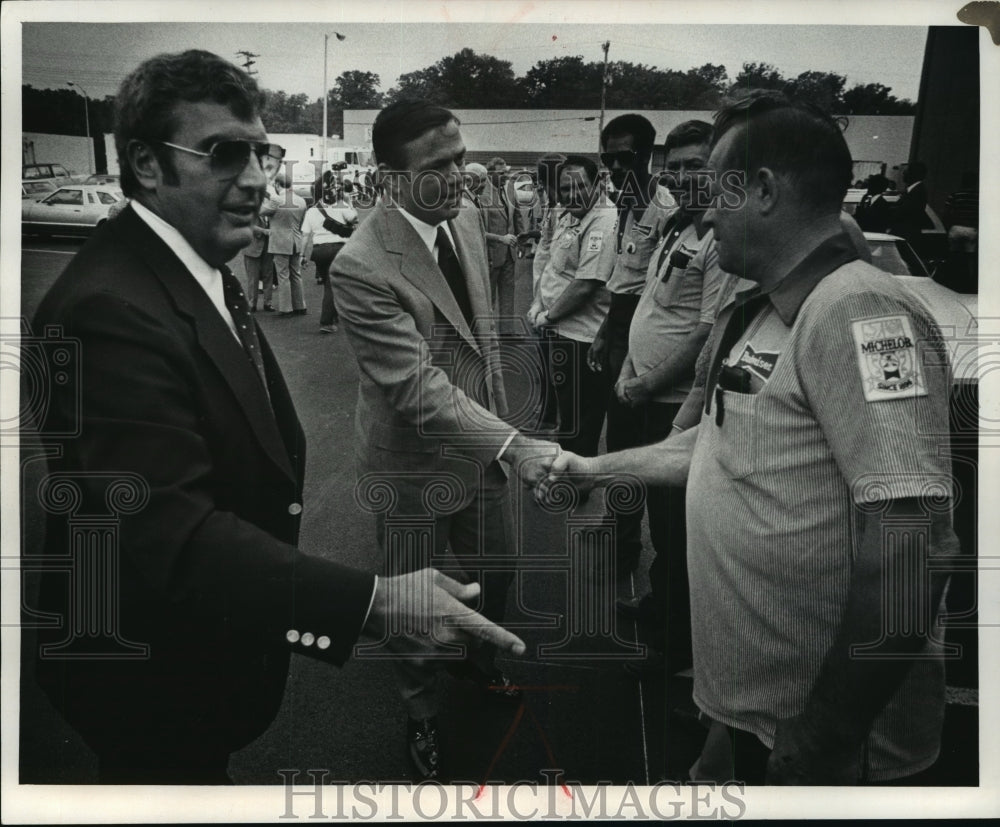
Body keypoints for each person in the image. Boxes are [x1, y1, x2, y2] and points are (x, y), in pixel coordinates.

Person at [29, 50, 526, 785]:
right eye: (224, 154)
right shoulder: (110, 307)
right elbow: (173, 536)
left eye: (263, 151)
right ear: (144, 163)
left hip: (202, 655)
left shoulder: (187, 269)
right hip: (150, 676)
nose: (258, 178)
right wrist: (371, 600)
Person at [541, 90, 958, 785]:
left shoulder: (861, 310)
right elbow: (712, 447)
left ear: (764, 190)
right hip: (750, 716)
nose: (703, 212)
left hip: (825, 742)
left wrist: (826, 732)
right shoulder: (758, 310)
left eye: (719, 193)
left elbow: (912, 545)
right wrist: (590, 467)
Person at [331, 98, 559, 781]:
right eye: (439, 164)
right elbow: (415, 388)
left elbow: (480, 328)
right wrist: (514, 443)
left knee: (498, 574)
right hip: (411, 468)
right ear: (388, 177)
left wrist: (497, 415)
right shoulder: (360, 264)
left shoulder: (463, 216)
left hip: (480, 448)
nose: (461, 175)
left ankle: (482, 665)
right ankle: (423, 714)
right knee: (415, 609)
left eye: (461, 156)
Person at [612, 120, 724, 678]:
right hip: (646, 391)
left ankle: (680, 650)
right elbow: (650, 307)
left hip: (673, 403)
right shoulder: (682, 227)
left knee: (679, 529)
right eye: (672, 167)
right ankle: (659, 608)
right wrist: (632, 366)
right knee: (660, 518)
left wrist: (647, 383)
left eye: (693, 167)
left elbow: (706, 334)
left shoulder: (721, 238)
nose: (680, 178)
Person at [588, 113, 675, 577]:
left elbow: (653, 293)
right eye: (609, 159)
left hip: (650, 355)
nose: (617, 167)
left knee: (650, 452)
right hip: (619, 341)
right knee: (618, 445)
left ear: (647, 155)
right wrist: (605, 333)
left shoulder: (664, 212)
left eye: (626, 157)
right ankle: (619, 532)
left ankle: (642, 553)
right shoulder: (623, 203)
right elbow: (621, 281)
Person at [527, 155, 615, 457]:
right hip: (559, 329)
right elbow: (551, 263)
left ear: (598, 184)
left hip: (582, 337)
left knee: (582, 417)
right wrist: (539, 303)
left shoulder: (604, 220)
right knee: (567, 412)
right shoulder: (567, 215)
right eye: (565, 189)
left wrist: (547, 315)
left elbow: (586, 284)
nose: (571, 194)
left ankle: (578, 482)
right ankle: (568, 473)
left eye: (580, 186)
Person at [300, 183, 358, 333]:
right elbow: (354, 218)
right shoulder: (339, 205)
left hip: (319, 251)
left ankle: (333, 315)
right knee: (333, 285)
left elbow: (305, 235)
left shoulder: (311, 211)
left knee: (328, 282)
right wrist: (347, 201)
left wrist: (301, 255)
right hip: (338, 249)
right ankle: (326, 322)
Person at [265, 174, 308, 317]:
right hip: (296, 239)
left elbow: (260, 212)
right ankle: (300, 306)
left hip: (280, 241)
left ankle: (286, 308)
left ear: (277, 185)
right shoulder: (301, 201)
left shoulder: (276, 200)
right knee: (296, 274)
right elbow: (301, 222)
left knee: (283, 275)